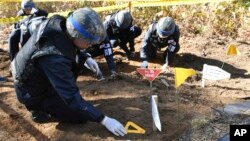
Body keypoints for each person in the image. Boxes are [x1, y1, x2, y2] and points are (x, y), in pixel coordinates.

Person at [11, 8, 126, 136]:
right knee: (79, 117)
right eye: (88, 42)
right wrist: (104, 120)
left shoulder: (60, 22)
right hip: (30, 90)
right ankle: (37, 110)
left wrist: (85, 56)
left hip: (36, 72)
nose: (90, 45)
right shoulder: (54, 59)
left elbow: (69, 43)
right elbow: (71, 97)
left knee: (75, 64)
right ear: (76, 35)